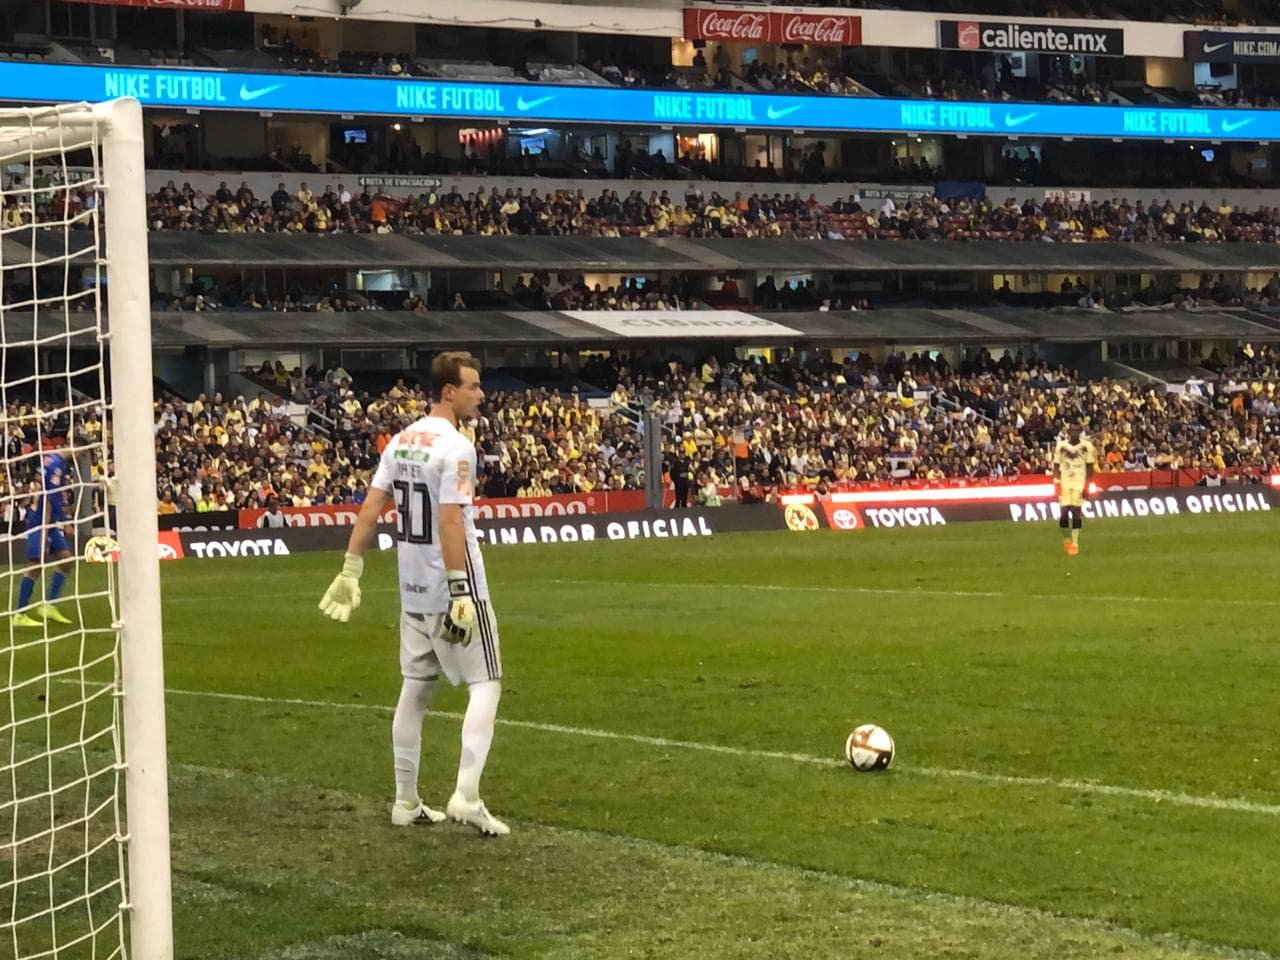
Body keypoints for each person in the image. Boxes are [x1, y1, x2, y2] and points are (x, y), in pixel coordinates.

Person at [318, 352, 508, 836]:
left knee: (416, 690)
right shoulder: (457, 448)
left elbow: (372, 507)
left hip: (412, 591)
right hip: (452, 589)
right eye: (473, 386)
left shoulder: (400, 441)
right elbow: (449, 521)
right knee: (487, 683)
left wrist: (351, 567)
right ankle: (466, 795)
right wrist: (461, 589)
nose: (480, 395)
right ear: (449, 391)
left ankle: (406, 801)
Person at [13, 453, 75, 628]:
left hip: (50, 524)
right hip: (39, 524)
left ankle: (48, 604)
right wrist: (64, 522)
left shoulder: (53, 471)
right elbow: (49, 500)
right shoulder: (49, 478)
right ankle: (20, 614)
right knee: (35, 566)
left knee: (67, 560)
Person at [1052, 422, 1097, 556]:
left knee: (1076, 513)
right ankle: (1066, 539)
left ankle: (1075, 543)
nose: (1074, 433)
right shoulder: (1061, 446)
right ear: (1068, 432)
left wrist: (1087, 486)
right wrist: (1056, 482)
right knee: (1064, 514)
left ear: (1080, 432)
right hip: (1065, 483)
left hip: (1079, 482)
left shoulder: (1087, 446)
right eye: (1072, 431)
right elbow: (1056, 465)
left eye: (1077, 431)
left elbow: (1090, 468)